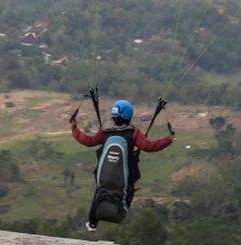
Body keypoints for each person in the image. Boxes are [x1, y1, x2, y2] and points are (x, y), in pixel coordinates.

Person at [70, 98, 174, 231]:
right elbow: (148, 146)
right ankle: (122, 210)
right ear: (129, 116)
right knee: (128, 188)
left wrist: (74, 129)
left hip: (104, 174)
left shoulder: (105, 131)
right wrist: (168, 139)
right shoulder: (133, 133)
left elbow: (89, 141)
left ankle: (92, 223)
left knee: (99, 190)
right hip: (124, 177)